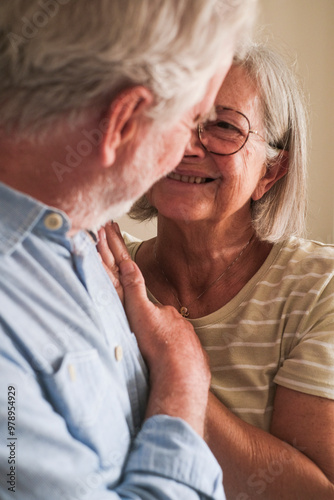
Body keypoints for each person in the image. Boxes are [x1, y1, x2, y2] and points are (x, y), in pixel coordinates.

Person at [0, 1, 258, 499]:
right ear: (124, 121)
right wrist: (183, 383)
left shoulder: (84, 237)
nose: (191, 148)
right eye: (192, 121)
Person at [100, 43, 334, 499]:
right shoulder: (105, 265)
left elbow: (319, 491)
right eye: (175, 118)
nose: (187, 146)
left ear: (272, 171)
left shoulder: (319, 287)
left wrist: (175, 366)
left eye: (224, 126)